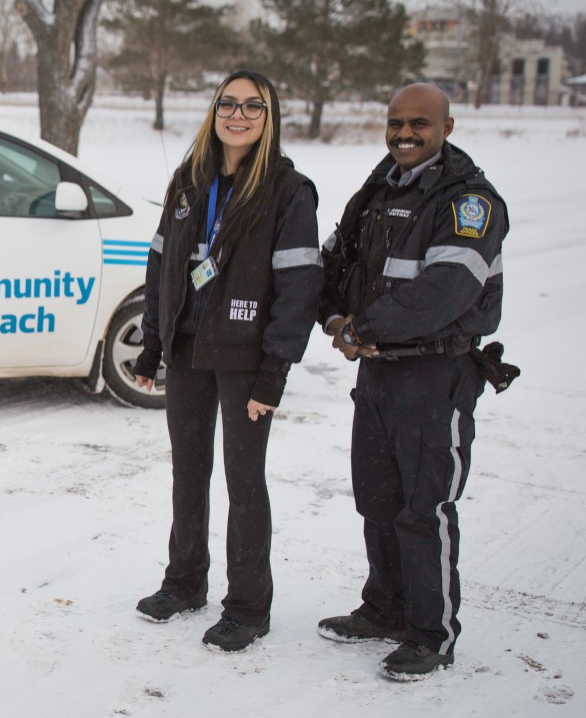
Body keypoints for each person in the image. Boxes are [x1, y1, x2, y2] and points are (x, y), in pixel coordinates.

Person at [316, 83, 508, 681]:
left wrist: (364, 326)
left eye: (419, 123)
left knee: (425, 507)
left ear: (446, 127)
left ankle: (431, 632)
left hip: (435, 374)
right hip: (376, 374)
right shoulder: (374, 192)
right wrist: (336, 321)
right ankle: (386, 609)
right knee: (377, 499)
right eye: (396, 122)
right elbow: (332, 264)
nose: (404, 133)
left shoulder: (469, 201)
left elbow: (445, 290)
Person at [130, 70, 322, 652]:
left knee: (244, 481)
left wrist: (274, 371)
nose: (238, 115)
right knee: (188, 472)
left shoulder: (289, 192)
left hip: (245, 359)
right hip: (188, 352)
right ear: (214, 111)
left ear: (270, 117)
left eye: (253, 106)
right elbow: (162, 265)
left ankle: (247, 608)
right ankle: (185, 582)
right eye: (228, 103)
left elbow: (300, 287)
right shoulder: (189, 182)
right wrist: (154, 342)